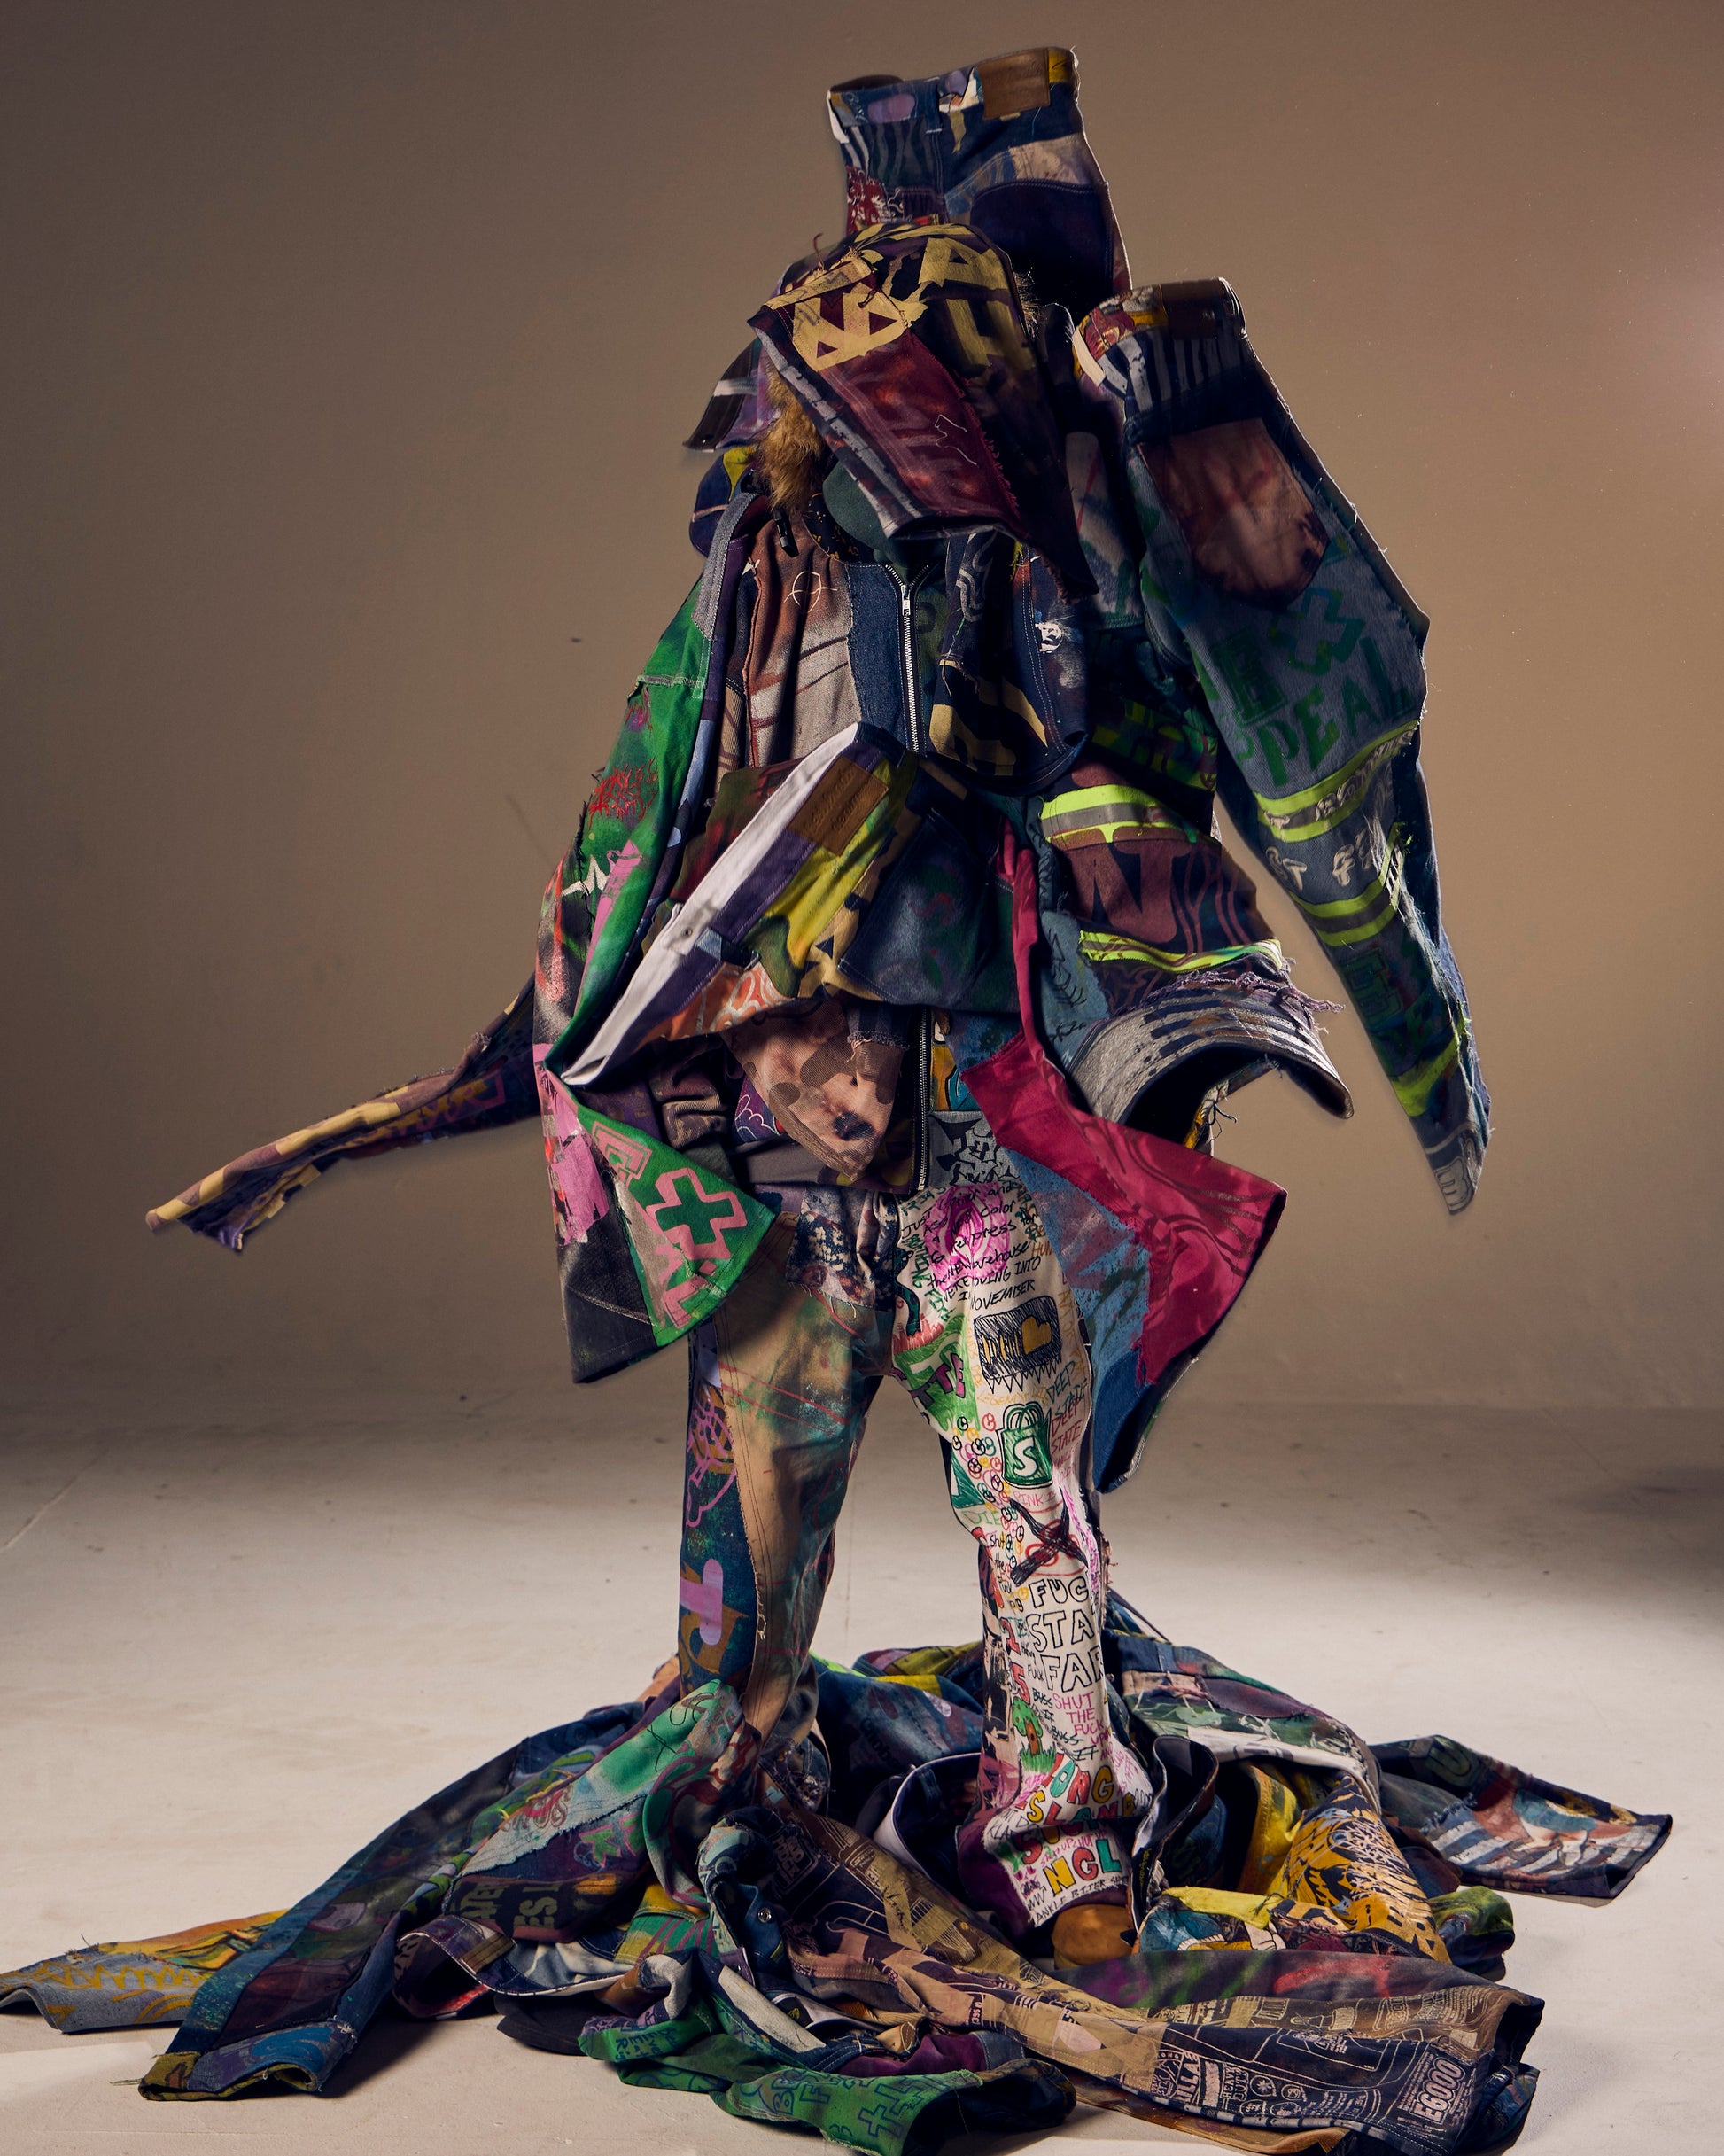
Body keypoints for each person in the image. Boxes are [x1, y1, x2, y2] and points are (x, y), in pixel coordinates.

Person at [144, 44, 1488, 1965]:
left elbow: (1245, 702)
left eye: (931, 328)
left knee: (1020, 1467)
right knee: (757, 1513)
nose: (857, 368)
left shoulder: (1067, 575)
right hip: (773, 1133)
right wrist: (410, 1106)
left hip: (968, 1128)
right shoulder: (748, 606)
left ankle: (1063, 1828)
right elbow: (622, 881)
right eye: (834, 337)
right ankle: (747, 1758)